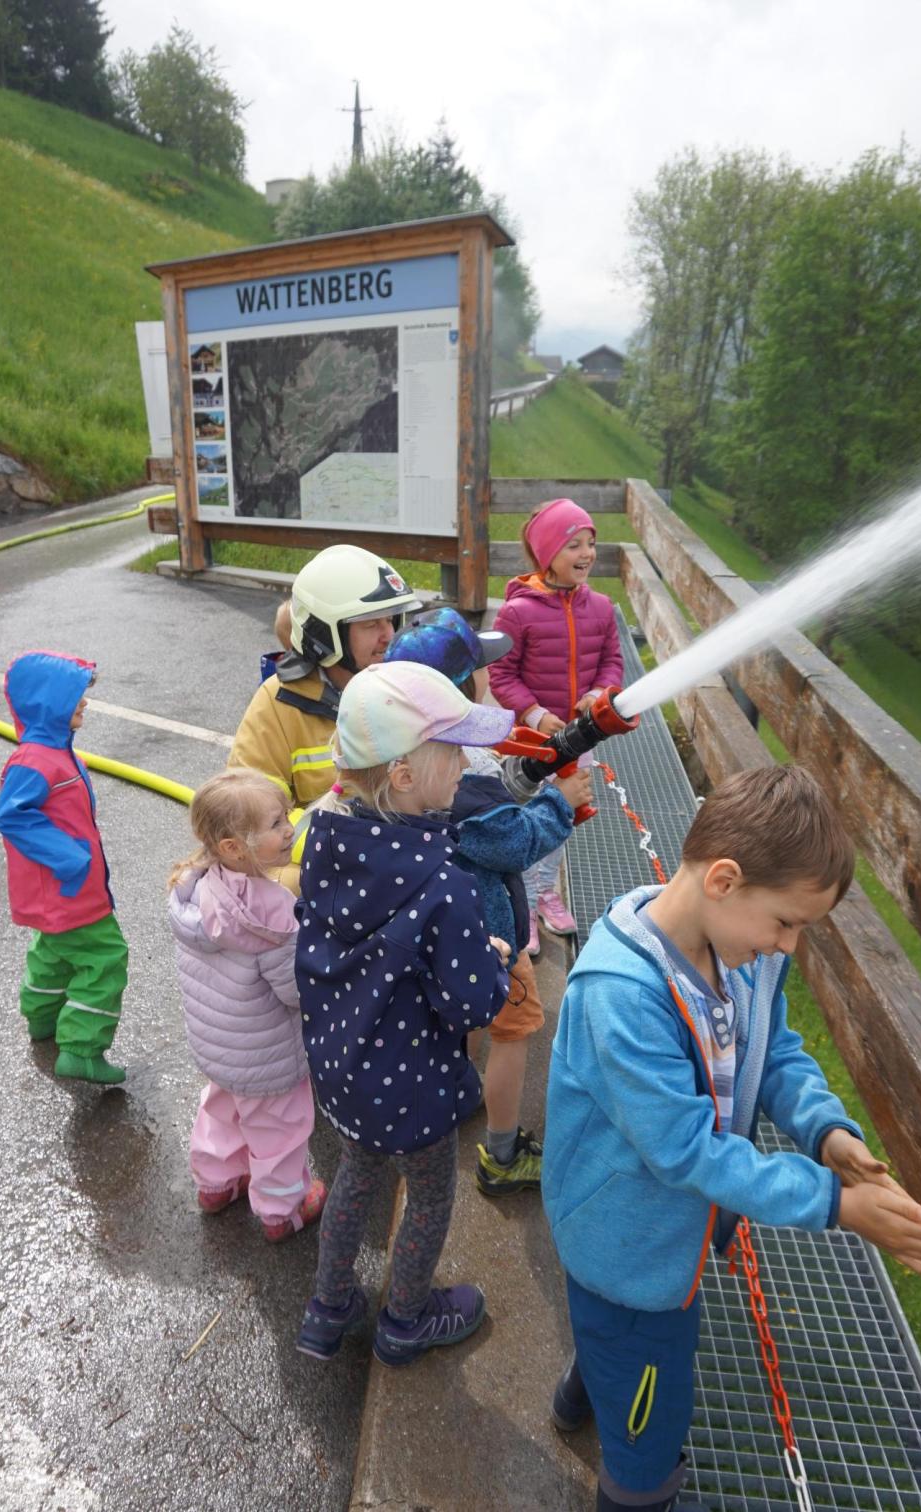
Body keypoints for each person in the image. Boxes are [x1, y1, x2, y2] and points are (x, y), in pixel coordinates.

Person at [541, 765, 921, 1512]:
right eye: (786, 922)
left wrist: (826, 1131)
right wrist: (837, 1205)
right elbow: (688, 1153)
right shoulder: (623, 997)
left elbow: (776, 1052)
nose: (790, 947)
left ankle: (584, 1392)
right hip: (631, 1251)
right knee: (645, 1436)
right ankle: (642, 1486)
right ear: (724, 880)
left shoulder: (741, 957)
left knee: (617, 1345)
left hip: (662, 1247)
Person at [294, 660, 515, 1367]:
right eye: (454, 750)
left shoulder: (326, 838)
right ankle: (406, 1319)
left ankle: (327, 1311)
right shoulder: (444, 884)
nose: (468, 762)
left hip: (343, 1066)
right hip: (409, 1083)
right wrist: (492, 954)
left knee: (357, 1176)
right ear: (403, 775)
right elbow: (472, 1002)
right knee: (428, 1194)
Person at [385, 606, 593, 1196]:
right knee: (515, 1028)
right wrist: (560, 803)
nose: (489, 677)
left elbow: (494, 793)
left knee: (461, 1020)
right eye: (480, 669)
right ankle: (502, 1152)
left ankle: (455, 1093)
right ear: (455, 692)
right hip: (489, 935)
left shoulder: (426, 758)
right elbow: (511, 841)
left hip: (446, 930)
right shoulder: (459, 774)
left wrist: (526, 779)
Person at [168, 769, 326, 1242]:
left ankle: (216, 1183)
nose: (290, 828)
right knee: (279, 1125)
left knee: (221, 1107)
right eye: (277, 823)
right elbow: (294, 992)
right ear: (235, 847)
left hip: (218, 1045)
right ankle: (283, 1208)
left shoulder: (192, 886)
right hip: (265, 1049)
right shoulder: (270, 910)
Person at [229, 543, 421, 890]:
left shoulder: (407, 687)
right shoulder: (277, 702)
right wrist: (348, 850)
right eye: (371, 624)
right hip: (326, 867)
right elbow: (253, 819)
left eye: (391, 620)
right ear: (324, 634)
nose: (389, 636)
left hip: (405, 861)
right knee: (272, 884)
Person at [489, 497, 623, 957]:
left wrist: (599, 695)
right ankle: (520, 903)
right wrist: (534, 714)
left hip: (578, 737)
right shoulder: (518, 613)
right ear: (547, 555)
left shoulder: (602, 609)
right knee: (527, 819)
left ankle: (547, 892)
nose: (586, 553)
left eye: (590, 543)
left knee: (562, 815)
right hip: (531, 741)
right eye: (573, 545)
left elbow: (612, 662)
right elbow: (502, 675)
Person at [0, 651, 128, 1085]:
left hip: (59, 890)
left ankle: (42, 1017)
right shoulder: (35, 760)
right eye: (74, 697)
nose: (84, 704)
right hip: (70, 887)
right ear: (47, 703)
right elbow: (10, 815)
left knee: (53, 953)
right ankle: (82, 1050)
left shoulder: (53, 753)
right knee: (106, 956)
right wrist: (70, 857)